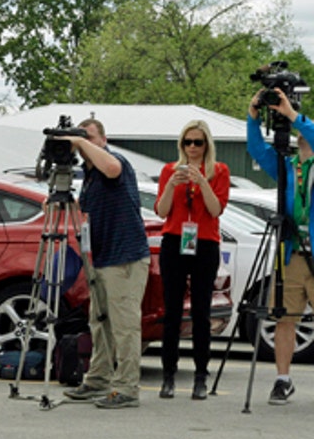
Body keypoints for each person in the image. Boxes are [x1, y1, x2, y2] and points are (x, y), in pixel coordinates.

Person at [59, 119, 151, 409]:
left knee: (124, 326)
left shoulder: (114, 161)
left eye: (89, 137)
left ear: (103, 139)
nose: (82, 144)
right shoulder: (89, 176)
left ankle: (127, 387)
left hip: (125, 257)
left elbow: (113, 168)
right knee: (99, 323)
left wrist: (80, 141)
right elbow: (84, 210)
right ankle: (98, 378)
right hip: (101, 257)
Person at [246, 87, 314, 405]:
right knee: (285, 318)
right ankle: (282, 380)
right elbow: (258, 151)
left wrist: (293, 116)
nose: (301, 136)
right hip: (293, 253)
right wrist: (253, 117)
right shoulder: (289, 169)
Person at [153, 121, 229, 400]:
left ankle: (200, 376)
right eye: (188, 142)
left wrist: (202, 182)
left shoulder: (219, 171)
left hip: (205, 242)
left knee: (201, 313)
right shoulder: (169, 171)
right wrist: (173, 185)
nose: (193, 148)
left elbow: (215, 209)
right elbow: (161, 212)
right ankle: (168, 375)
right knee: (172, 311)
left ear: (206, 145)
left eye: (198, 142)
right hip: (175, 241)